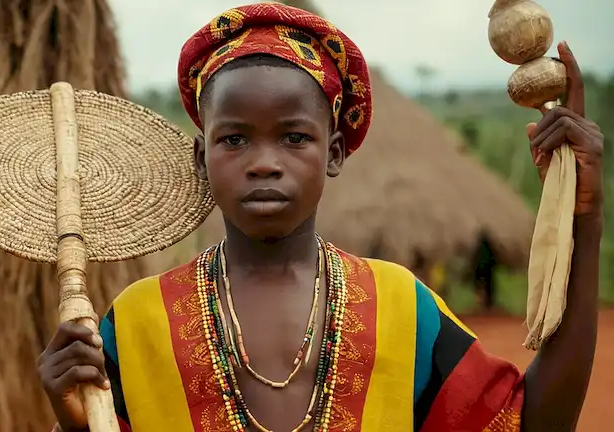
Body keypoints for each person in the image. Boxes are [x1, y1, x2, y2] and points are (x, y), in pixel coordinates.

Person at [37, 3, 604, 431]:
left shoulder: (401, 308)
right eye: (233, 139)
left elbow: (529, 424)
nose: (264, 163)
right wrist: (76, 419)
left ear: (333, 152)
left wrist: (583, 217)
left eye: (293, 137)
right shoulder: (137, 322)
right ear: (200, 156)